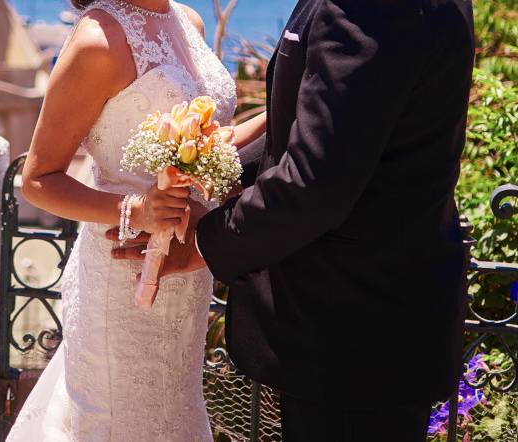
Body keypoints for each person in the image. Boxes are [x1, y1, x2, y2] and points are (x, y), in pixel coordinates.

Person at [113, 0, 476, 440]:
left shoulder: (368, 9)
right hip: (382, 322)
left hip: (350, 338)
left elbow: (315, 181)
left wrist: (207, 241)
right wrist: (215, 167)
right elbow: (337, 128)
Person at [6, 0, 265, 440]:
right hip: (122, 276)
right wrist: (136, 210)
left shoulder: (188, 20)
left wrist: (290, 111)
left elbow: (211, 147)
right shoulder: (97, 40)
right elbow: (38, 180)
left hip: (185, 280)